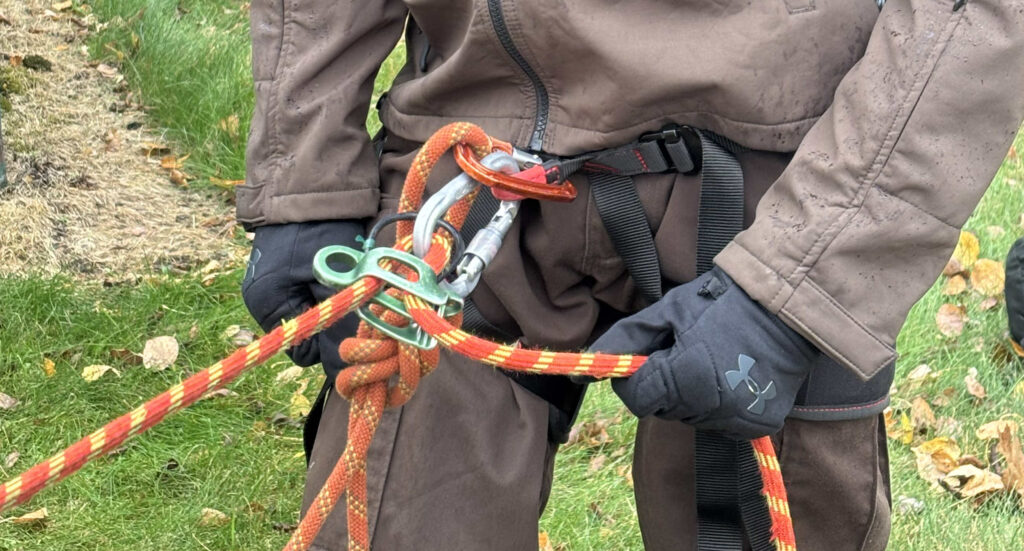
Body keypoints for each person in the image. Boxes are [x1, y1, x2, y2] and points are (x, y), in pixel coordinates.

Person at [237, 1, 1024, 549]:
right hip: (470, 175)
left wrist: (803, 285)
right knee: (397, 511)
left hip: (789, 186)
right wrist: (302, 182)